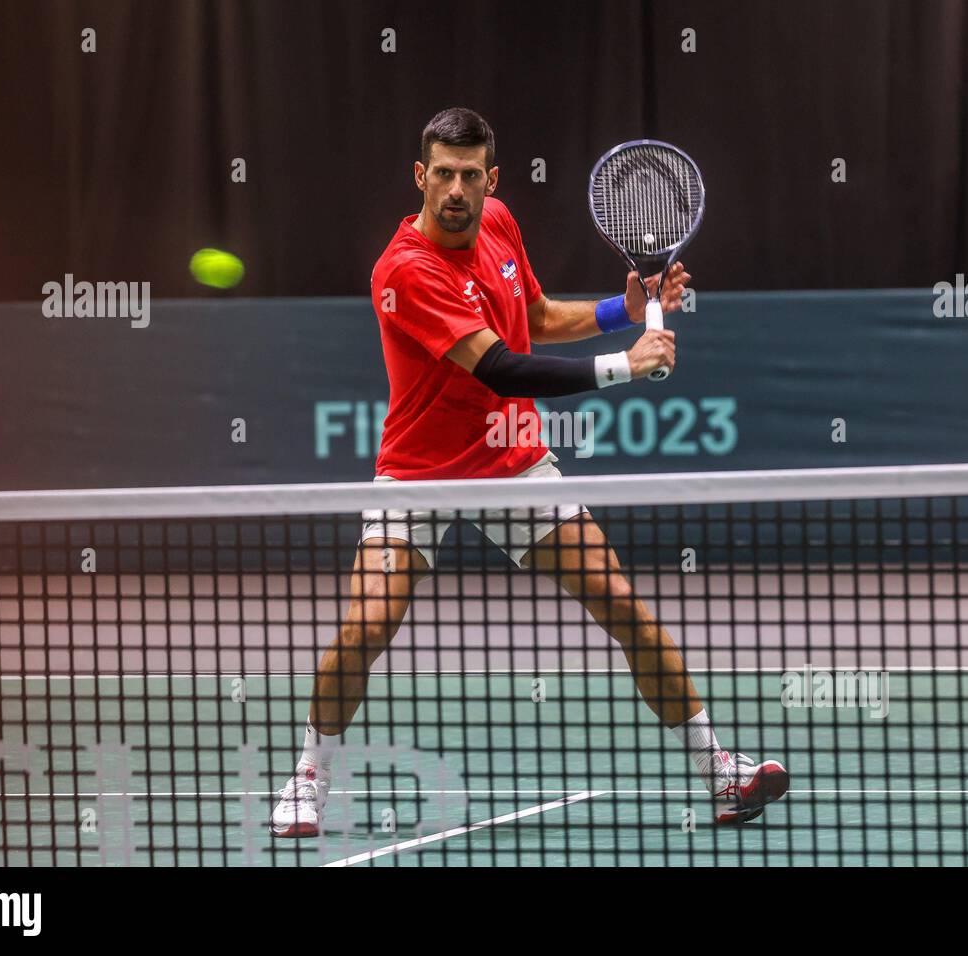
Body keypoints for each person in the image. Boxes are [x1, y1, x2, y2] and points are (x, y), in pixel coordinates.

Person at [272, 107, 787, 838]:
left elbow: (534, 317)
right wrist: (625, 364)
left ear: (491, 179)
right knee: (367, 626)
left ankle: (721, 772)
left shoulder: (501, 225)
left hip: (512, 461)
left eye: (470, 174)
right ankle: (307, 780)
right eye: (443, 174)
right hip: (418, 477)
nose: (456, 188)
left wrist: (623, 309)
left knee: (620, 602)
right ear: (421, 176)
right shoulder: (403, 270)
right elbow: (502, 366)